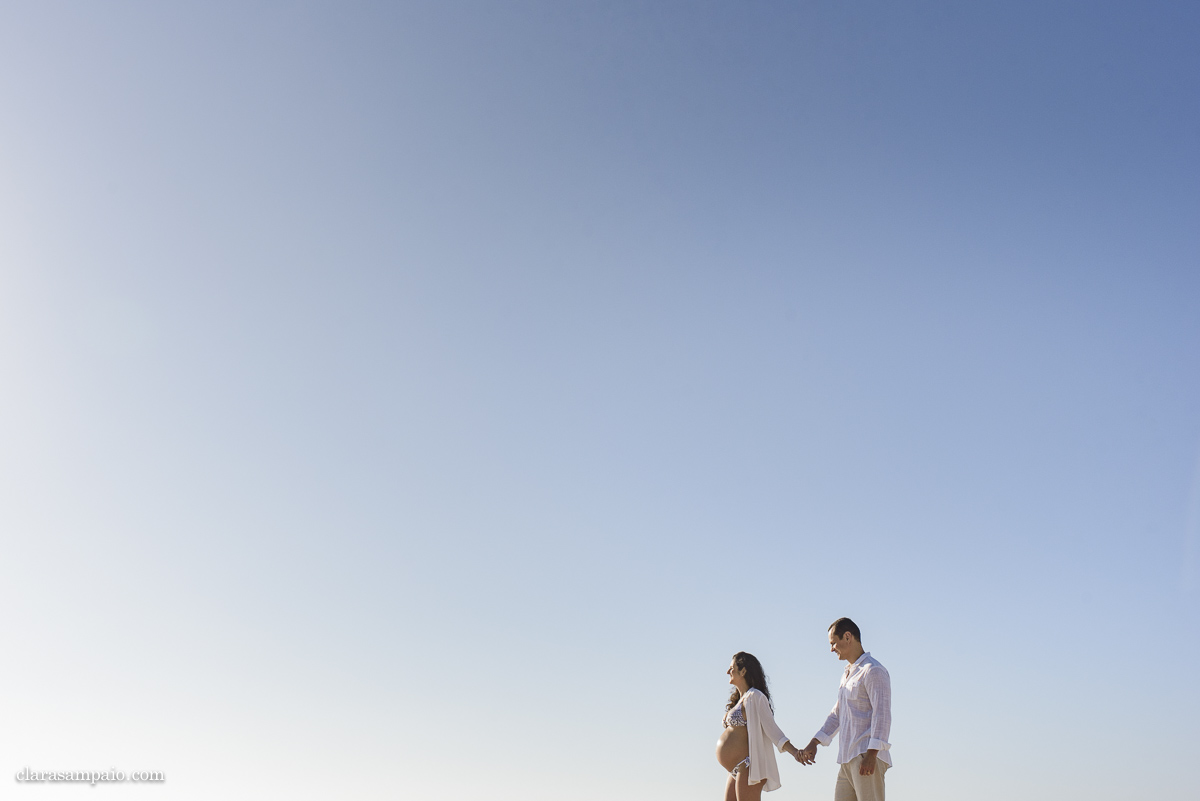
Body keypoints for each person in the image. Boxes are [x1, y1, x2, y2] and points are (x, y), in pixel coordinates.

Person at [795, 618, 892, 801]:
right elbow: (837, 714)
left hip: (866, 754)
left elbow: (883, 714)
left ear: (848, 637)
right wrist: (815, 742)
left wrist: (872, 754)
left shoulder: (873, 670)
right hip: (847, 759)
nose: (831, 649)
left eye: (833, 643)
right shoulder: (847, 675)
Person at [716, 652, 802, 800]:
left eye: (731, 668)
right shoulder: (739, 700)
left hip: (748, 766)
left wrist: (795, 752)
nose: (728, 671)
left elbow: (772, 730)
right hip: (735, 769)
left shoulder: (755, 697)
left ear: (743, 671)